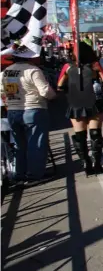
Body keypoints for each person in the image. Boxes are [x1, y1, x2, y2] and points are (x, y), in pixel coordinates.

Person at [1, 49, 57, 183]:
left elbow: (1, 91)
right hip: (34, 109)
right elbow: (45, 91)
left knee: (19, 145)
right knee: (36, 143)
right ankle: (35, 174)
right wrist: (53, 96)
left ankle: (19, 173)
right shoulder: (33, 71)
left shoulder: (6, 72)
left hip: (13, 111)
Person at [57, 41, 103, 176]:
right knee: (95, 134)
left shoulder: (67, 67)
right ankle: (97, 164)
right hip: (93, 101)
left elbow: (59, 86)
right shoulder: (95, 66)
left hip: (76, 102)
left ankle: (86, 164)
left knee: (80, 136)